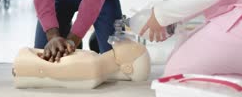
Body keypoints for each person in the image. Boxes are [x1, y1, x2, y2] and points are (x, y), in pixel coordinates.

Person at [12, 36, 150, 89]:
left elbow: (46, 69)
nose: (126, 42)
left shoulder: (93, 67)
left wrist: (21, 69)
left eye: (131, 48)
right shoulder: (95, 60)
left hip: (24, 62)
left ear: (127, 68)